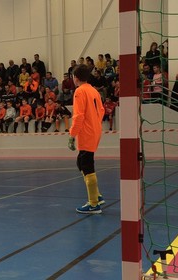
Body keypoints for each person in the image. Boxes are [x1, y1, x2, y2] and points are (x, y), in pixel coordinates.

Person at [68, 64, 105, 214]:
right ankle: (97, 195)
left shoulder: (80, 91)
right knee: (81, 162)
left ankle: (94, 203)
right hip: (95, 130)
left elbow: (78, 116)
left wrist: (72, 135)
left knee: (87, 165)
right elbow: (101, 111)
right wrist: (94, 123)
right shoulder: (93, 90)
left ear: (75, 78)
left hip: (87, 133)